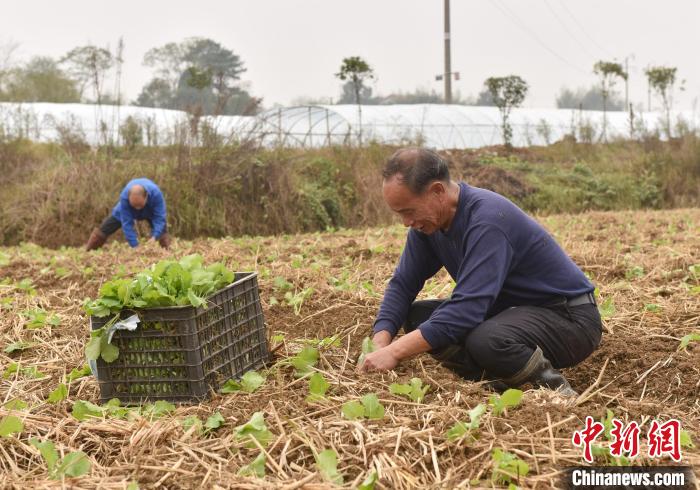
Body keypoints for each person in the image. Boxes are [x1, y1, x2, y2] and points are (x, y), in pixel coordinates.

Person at [358, 148, 602, 396]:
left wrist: (394, 352)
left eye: (408, 211)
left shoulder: (487, 219)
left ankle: (555, 391)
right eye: (399, 214)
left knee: (488, 339)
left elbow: (467, 309)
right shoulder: (428, 227)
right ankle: (490, 382)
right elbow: (403, 284)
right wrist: (380, 341)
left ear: (437, 191)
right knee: (417, 317)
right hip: (514, 313)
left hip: (568, 318)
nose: (406, 222)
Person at [85, 178, 171, 250]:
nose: (137, 208)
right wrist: (135, 246)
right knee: (105, 229)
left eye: (140, 205)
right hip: (127, 210)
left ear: (146, 197)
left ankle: (166, 253)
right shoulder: (124, 197)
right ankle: (89, 251)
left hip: (150, 211)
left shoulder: (156, 195)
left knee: (162, 230)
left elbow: (160, 218)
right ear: (129, 198)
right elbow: (127, 224)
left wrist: (154, 237)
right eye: (134, 205)